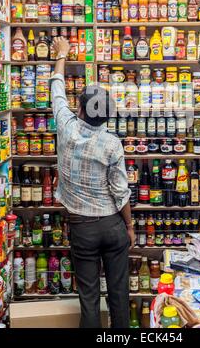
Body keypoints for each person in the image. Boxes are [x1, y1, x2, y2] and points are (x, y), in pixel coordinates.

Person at [50, 36, 135, 328]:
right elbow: (120, 193)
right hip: (112, 225)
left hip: (82, 228)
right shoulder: (112, 143)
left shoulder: (66, 127)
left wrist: (61, 55)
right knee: (119, 294)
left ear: (82, 110)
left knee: (88, 297)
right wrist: (129, 226)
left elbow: (57, 91)